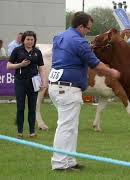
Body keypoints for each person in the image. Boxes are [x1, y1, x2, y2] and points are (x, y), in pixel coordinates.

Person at [49, 11, 120, 171]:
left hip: (57, 86)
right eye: (88, 28)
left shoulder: (60, 36)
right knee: (66, 126)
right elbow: (96, 64)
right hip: (67, 88)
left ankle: (69, 161)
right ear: (80, 26)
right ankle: (59, 163)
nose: (88, 31)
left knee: (71, 126)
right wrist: (112, 72)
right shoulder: (78, 41)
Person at [7, 31, 46, 138]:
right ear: (23, 40)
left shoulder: (37, 52)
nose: (29, 41)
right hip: (20, 82)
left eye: (32, 39)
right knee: (20, 107)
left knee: (32, 108)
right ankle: (20, 132)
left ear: (34, 41)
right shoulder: (17, 50)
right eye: (27, 39)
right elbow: (8, 66)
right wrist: (20, 64)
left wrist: (43, 81)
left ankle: (32, 132)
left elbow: (41, 68)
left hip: (33, 82)